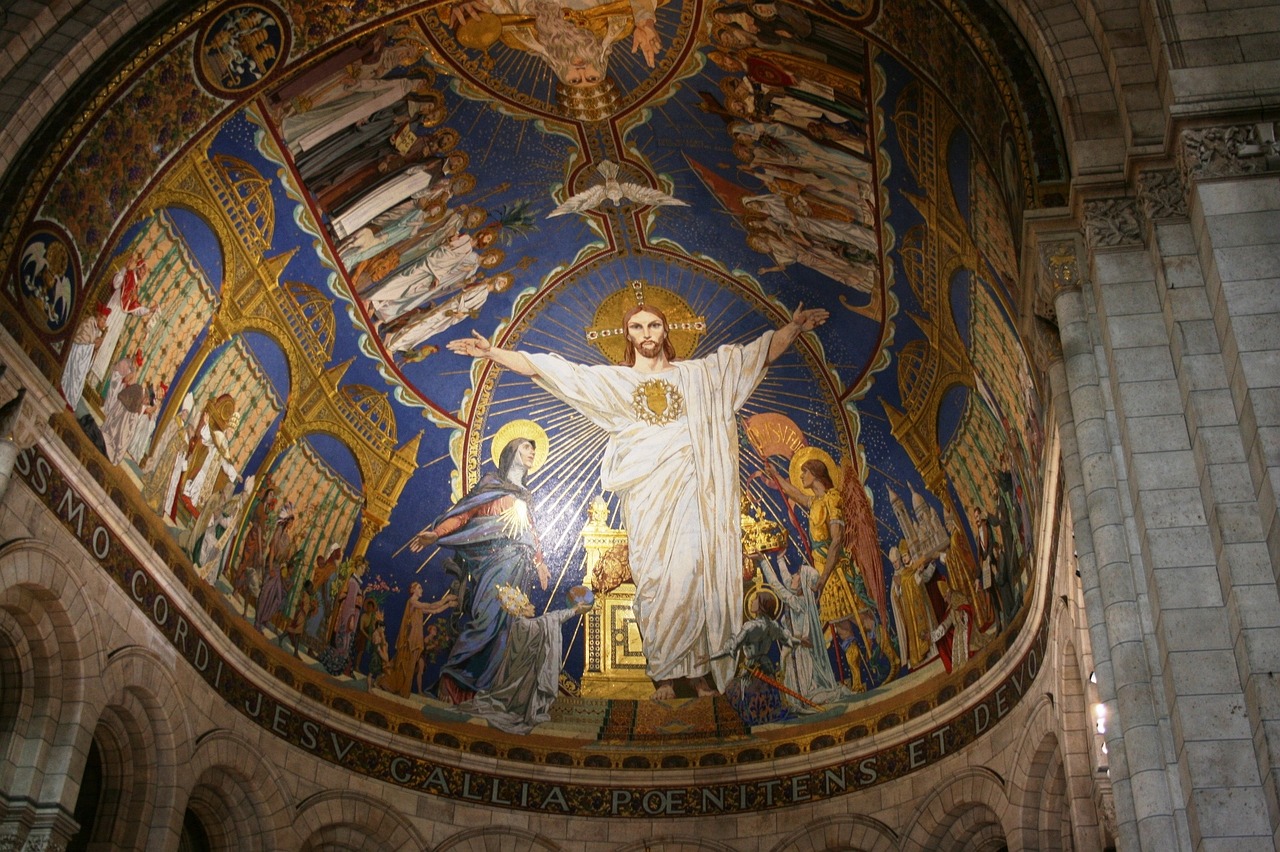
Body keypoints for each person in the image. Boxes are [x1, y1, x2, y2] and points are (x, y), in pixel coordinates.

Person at [447, 299, 827, 698]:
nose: (647, 334)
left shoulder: (700, 375)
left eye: (654, 326)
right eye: (638, 328)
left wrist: (794, 327)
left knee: (695, 572)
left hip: (691, 495)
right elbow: (557, 371)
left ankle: (697, 673)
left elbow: (754, 356)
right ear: (627, 336)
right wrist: (494, 353)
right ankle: (665, 673)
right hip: (647, 500)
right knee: (656, 579)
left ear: (666, 331)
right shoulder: (617, 381)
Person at [408, 433, 551, 703]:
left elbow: (530, 531)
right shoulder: (491, 484)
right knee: (486, 621)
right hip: (494, 563)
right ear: (511, 452)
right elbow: (465, 514)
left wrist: (540, 562)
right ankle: (451, 683)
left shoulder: (526, 497)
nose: (532, 452)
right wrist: (436, 534)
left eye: (534, 449)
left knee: (506, 630)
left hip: (520, 568)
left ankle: (481, 692)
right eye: (526, 447)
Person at [463, 584, 593, 734]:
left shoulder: (520, 623)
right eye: (529, 605)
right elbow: (550, 620)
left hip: (523, 673)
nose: (533, 607)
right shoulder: (524, 625)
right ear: (521, 608)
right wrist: (574, 610)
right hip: (524, 675)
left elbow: (546, 621)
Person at [382, 581, 458, 697]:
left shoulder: (418, 607)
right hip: (408, 641)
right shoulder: (412, 602)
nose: (422, 590)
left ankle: (403, 691)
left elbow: (435, 611)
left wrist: (448, 605)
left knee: (410, 667)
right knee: (404, 666)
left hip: (415, 641)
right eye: (419, 587)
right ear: (413, 590)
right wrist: (446, 598)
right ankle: (396, 687)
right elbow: (430, 606)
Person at [60, 305, 110, 410]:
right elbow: (82, 338)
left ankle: (70, 400)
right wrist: (93, 344)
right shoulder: (89, 322)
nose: (104, 323)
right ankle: (65, 393)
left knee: (80, 378)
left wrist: (95, 346)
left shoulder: (96, 329)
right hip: (77, 353)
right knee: (75, 373)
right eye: (104, 319)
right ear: (99, 317)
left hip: (83, 356)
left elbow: (92, 344)